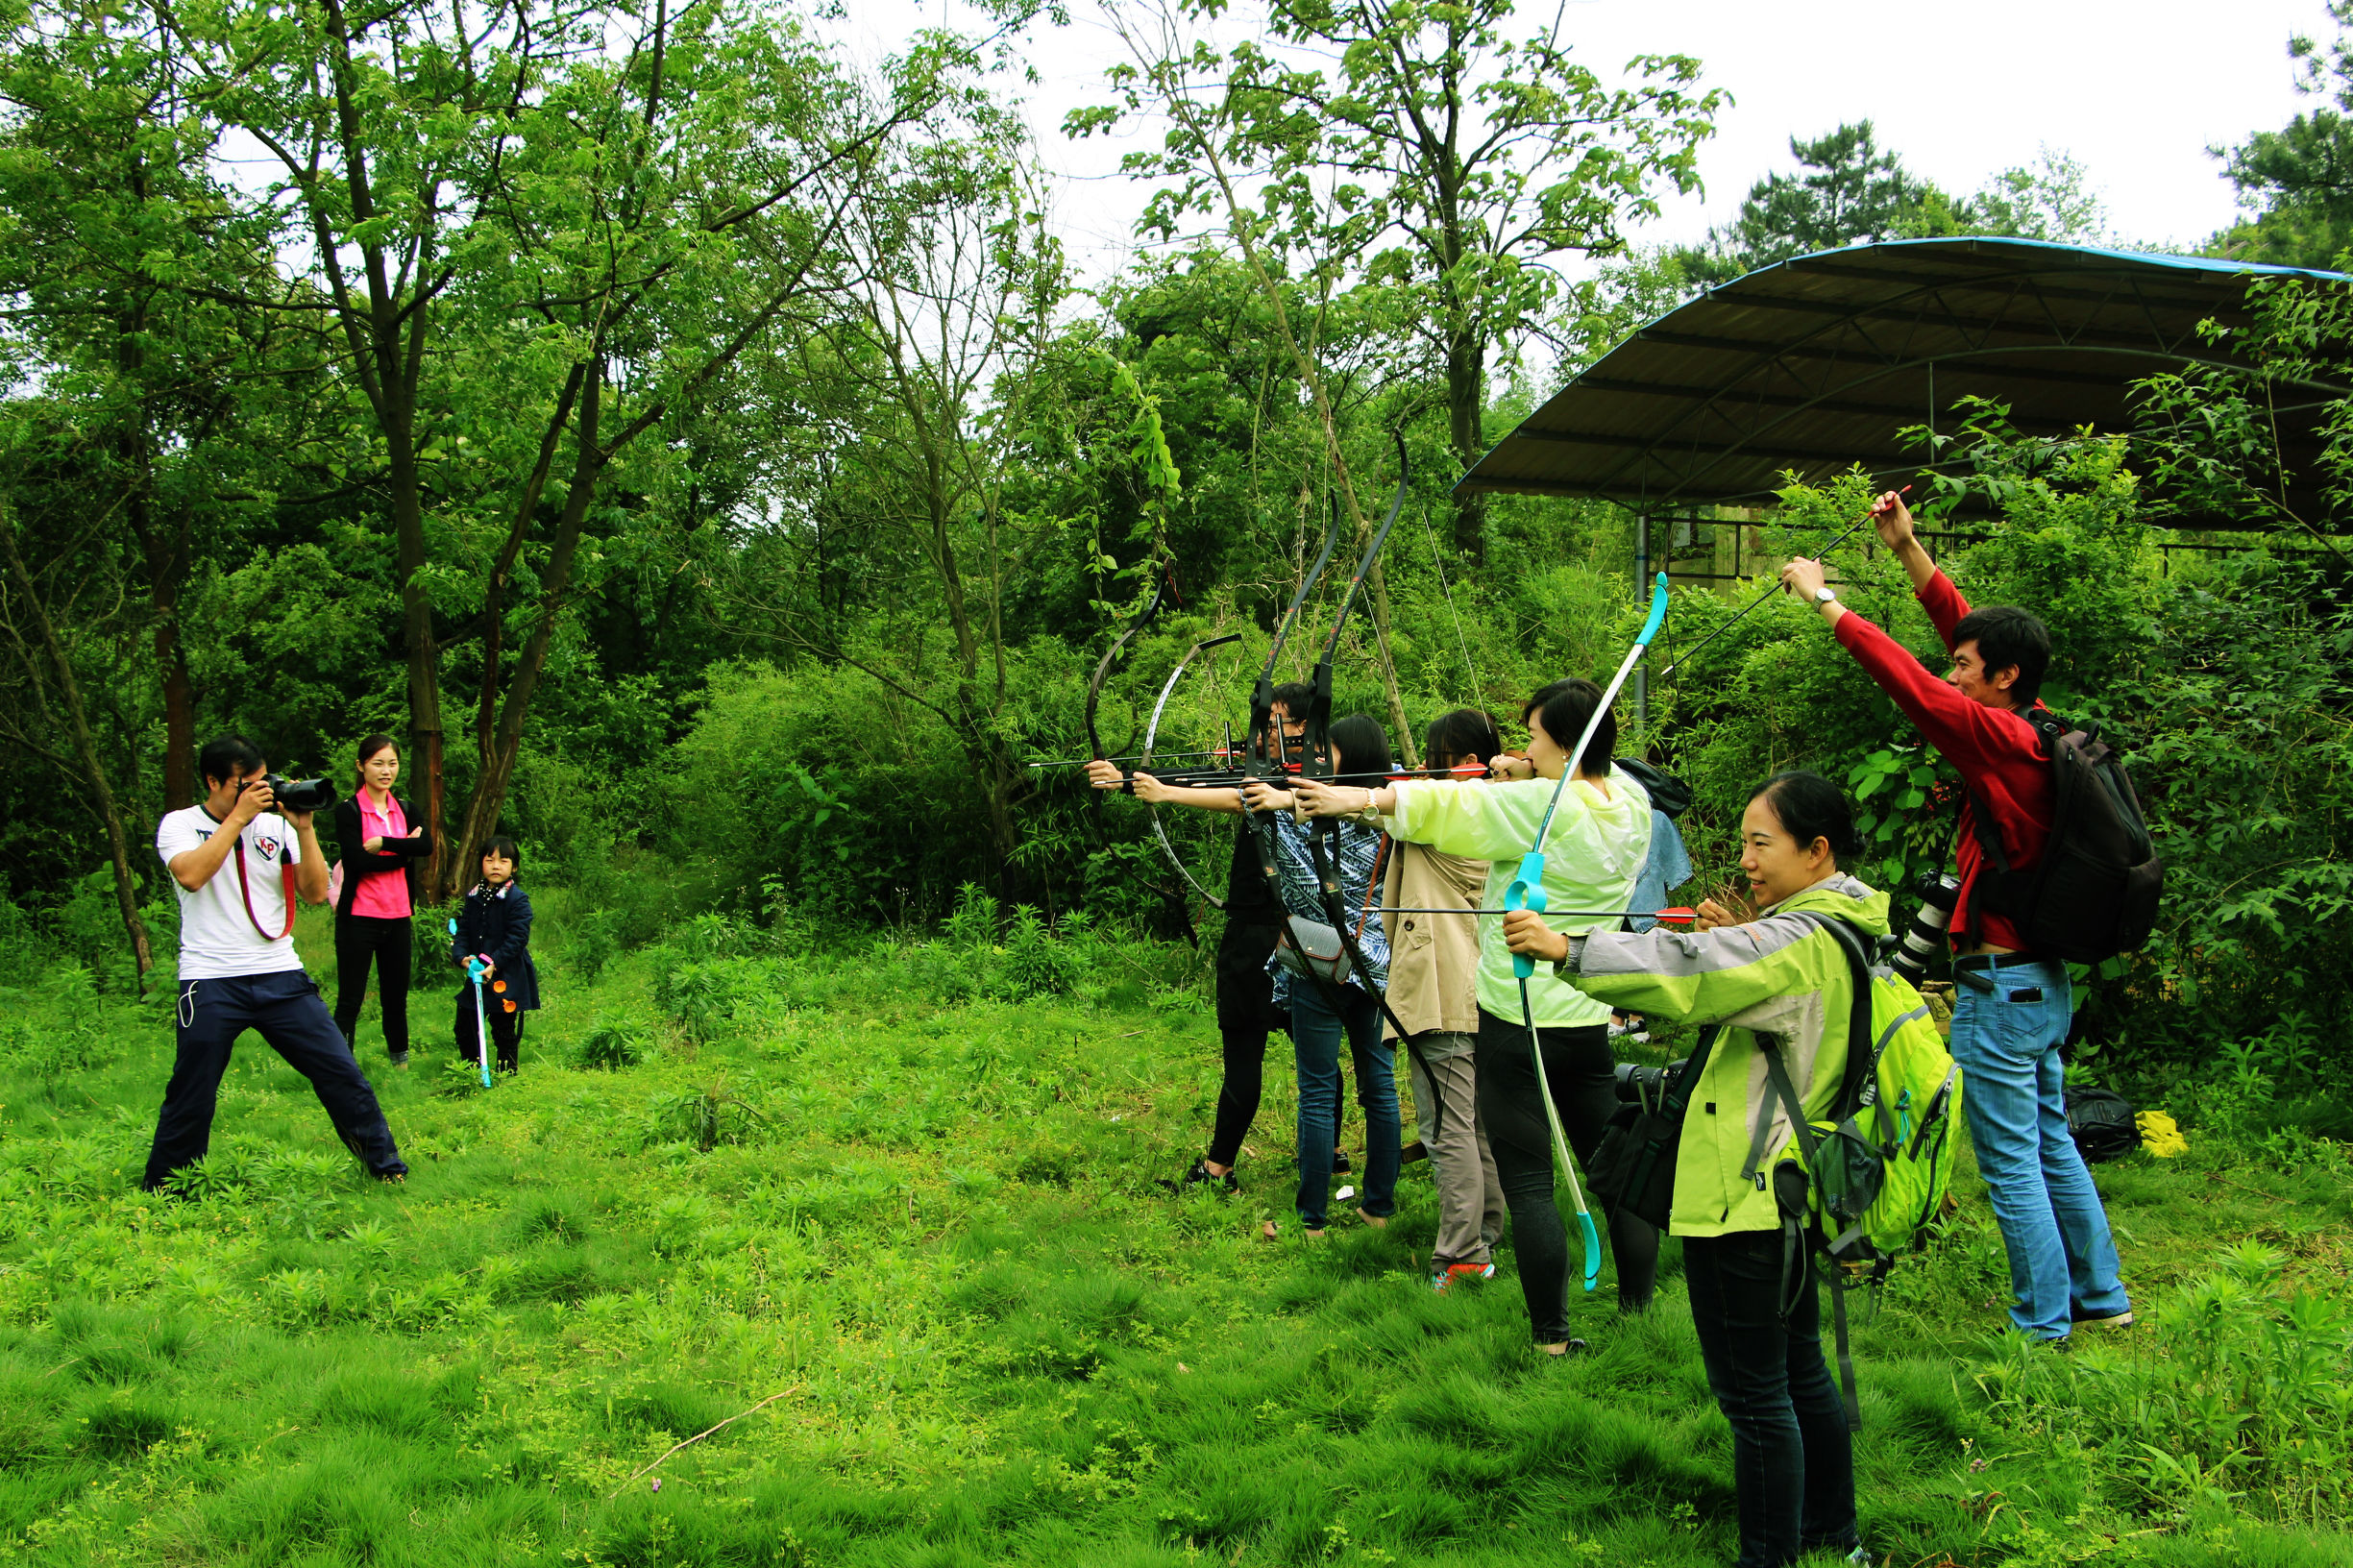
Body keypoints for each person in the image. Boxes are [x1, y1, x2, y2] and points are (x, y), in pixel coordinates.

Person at [1779, 490, 2130, 1343]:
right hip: (2037, 988)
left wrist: (1826, 600)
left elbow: (1911, 684)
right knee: (2048, 1142)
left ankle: (2042, 1324)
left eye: (1966, 665)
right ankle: (2100, 1296)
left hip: (2000, 989)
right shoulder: (2035, 726)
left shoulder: (1997, 741)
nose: (1952, 670)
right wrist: (1907, 551)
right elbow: (1966, 634)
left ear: (2002, 678)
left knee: (2012, 1165)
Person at [1503, 770, 1872, 1568]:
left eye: (1759, 842)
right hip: (1793, 1185)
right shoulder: (1827, 924)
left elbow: (1695, 971)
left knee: (1753, 1395)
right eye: (1743, 841)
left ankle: (1769, 1556)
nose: (1744, 857)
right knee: (1797, 1365)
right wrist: (1747, 929)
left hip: (1745, 1193)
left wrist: (1566, 948)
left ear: (1816, 851)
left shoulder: (1798, 940)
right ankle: (1830, 1534)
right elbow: (1743, 969)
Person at [1295, 678, 1658, 1340]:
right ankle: (1638, 1313)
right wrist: (1526, 769)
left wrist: (1356, 796)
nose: (1523, 747)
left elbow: (1450, 808)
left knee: (1526, 1183)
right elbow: (1559, 784)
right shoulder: (1629, 799)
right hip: (1586, 1016)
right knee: (1611, 1172)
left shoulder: (1542, 811)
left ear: (1566, 743)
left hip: (1517, 1020)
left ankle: (1549, 1336)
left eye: (1535, 737)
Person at [1085, 684, 1343, 1192]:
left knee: (1306, 1055)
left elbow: (1237, 796)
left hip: (1288, 935)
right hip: (1276, 933)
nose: (1265, 735)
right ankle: (1314, 1153)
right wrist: (1124, 780)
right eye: (1262, 726)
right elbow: (1210, 779)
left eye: (1276, 725)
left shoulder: (1320, 783)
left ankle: (1244, 1163)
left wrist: (1163, 792)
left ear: (1306, 730)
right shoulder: (1290, 775)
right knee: (1271, 1052)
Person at [144, 736, 409, 1189]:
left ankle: (387, 1170)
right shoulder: (181, 824)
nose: (258, 792)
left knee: (340, 1071)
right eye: (243, 785)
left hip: (279, 974)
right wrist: (240, 818)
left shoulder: (277, 828)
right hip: (211, 981)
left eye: (261, 782)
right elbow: (190, 875)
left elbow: (311, 892)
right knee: (193, 1090)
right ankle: (169, 1187)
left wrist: (303, 829)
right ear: (213, 781)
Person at [1355, 707, 1508, 1290]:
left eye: (1437, 759)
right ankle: (1486, 1233)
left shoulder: (1446, 814)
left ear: (1468, 764)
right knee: (1471, 1126)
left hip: (1443, 989)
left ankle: (1463, 1253)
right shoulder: (1504, 809)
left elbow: (1380, 807)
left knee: (1446, 1128)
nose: (1426, 768)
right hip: (1480, 986)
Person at [1237, 714, 1402, 1237]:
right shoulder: (1401, 804)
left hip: (1317, 961)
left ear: (1349, 757)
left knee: (1316, 1089)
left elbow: (1243, 801)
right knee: (1379, 1086)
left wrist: (1163, 794)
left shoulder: (1299, 812)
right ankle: (1377, 1207)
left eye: (1327, 753)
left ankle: (1313, 1218)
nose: (1316, 762)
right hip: (1376, 962)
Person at [332, 734, 431, 1068]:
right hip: (359, 917)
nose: (386, 770)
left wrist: (387, 842)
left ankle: (400, 1064)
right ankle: (340, 1067)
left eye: (392, 763)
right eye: (377, 763)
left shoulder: (405, 808)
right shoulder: (348, 811)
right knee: (350, 998)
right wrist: (403, 852)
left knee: (395, 997)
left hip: (399, 915)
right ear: (361, 766)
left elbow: (426, 847)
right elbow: (357, 862)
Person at [452, 837, 539, 1073]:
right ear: (481, 863)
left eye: (503, 860)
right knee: (465, 1026)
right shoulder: (473, 897)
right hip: (476, 973)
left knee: (503, 1028)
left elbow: (517, 939)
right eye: (489, 860)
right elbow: (463, 930)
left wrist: (494, 962)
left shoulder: (517, 899)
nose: (495, 866)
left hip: (505, 974)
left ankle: (507, 1072)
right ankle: (471, 1071)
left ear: (514, 867)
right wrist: (461, 956)